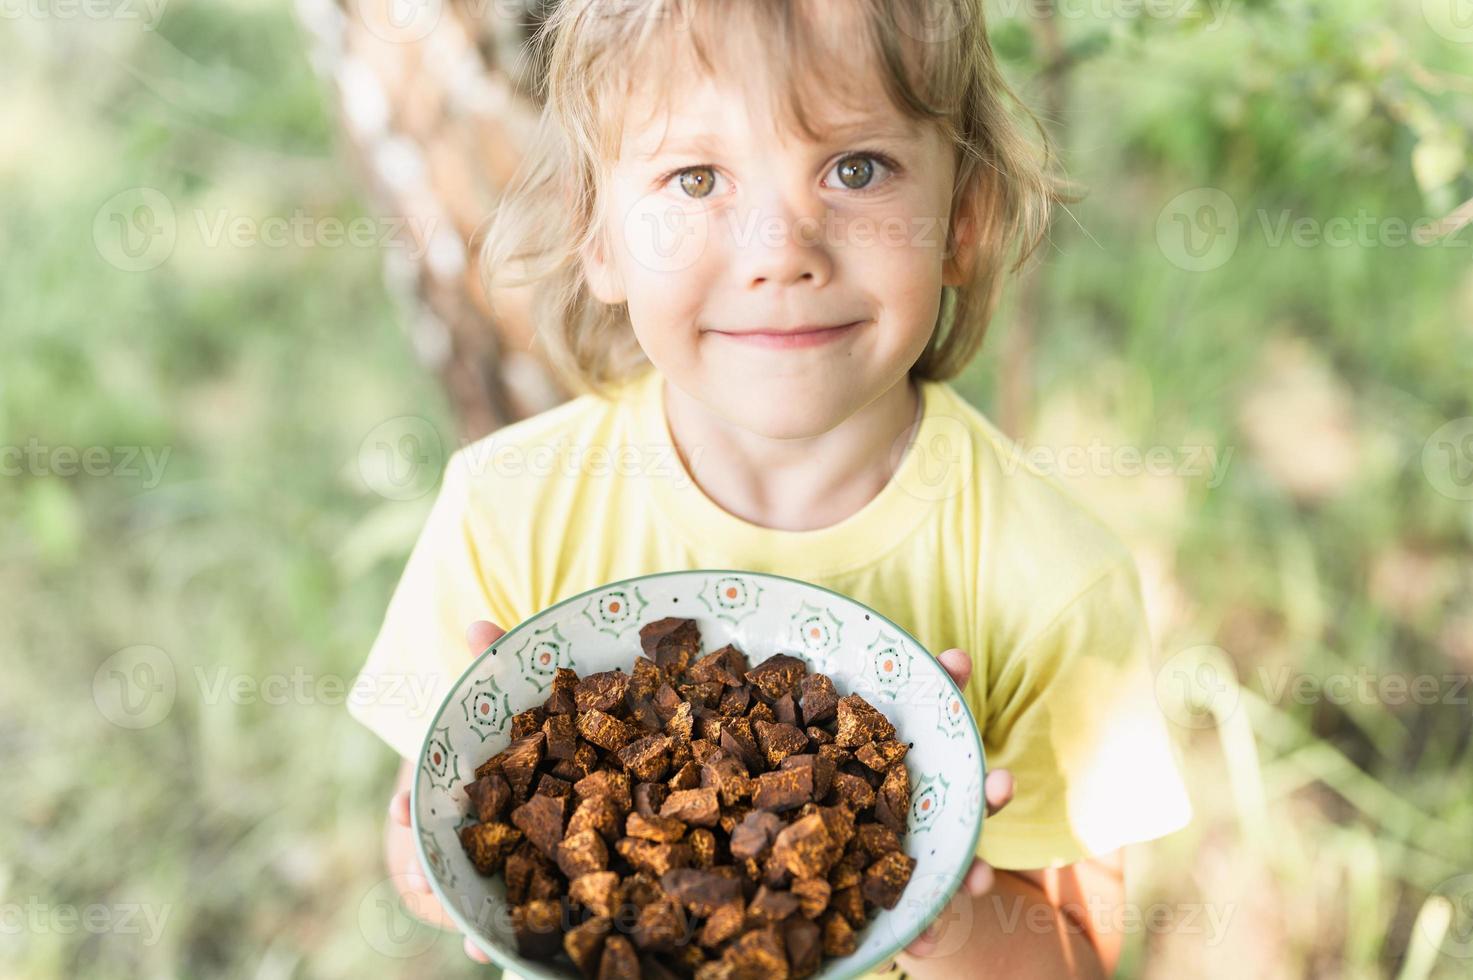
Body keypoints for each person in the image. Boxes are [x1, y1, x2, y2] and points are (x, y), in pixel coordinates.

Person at [349, 1, 1192, 976]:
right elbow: (419, 821)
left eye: (856, 168)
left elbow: (1076, 957)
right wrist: (442, 832)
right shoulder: (505, 507)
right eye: (696, 177)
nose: (781, 248)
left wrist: (937, 896)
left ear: (964, 216)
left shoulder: (1053, 581)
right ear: (600, 235)